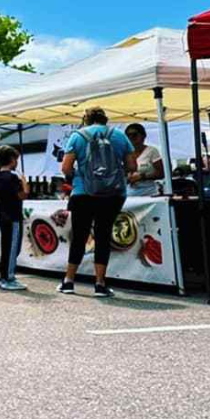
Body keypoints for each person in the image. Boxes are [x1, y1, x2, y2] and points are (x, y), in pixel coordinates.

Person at [59, 107, 136, 298]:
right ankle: (100, 284)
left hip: (83, 193)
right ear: (105, 119)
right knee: (103, 236)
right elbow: (132, 166)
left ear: (86, 119)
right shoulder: (119, 135)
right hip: (112, 194)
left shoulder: (78, 136)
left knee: (79, 236)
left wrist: (80, 174)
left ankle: (69, 281)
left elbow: (66, 167)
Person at [0, 146, 28, 291]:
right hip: (13, 216)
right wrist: (24, 181)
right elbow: (23, 194)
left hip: (2, 215)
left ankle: (4, 275)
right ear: (12, 160)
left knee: (6, 247)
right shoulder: (13, 177)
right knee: (13, 248)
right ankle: (8, 277)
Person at [124, 123, 164, 195]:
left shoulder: (152, 151)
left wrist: (142, 177)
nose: (131, 137)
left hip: (149, 192)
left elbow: (161, 173)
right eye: (128, 135)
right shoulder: (125, 152)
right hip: (130, 192)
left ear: (143, 136)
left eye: (134, 134)